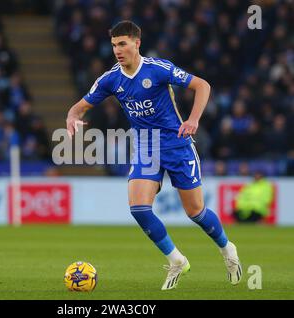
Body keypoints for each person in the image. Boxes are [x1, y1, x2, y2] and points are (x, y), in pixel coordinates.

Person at [66, 21, 242, 290]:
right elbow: (79, 107)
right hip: (146, 146)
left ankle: (227, 249)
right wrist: (72, 117)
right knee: (138, 208)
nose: (117, 50)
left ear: (137, 43)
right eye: (114, 45)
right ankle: (177, 260)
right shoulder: (110, 79)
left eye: (123, 44)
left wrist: (193, 119)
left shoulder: (157, 69)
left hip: (177, 143)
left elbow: (202, 86)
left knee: (195, 211)